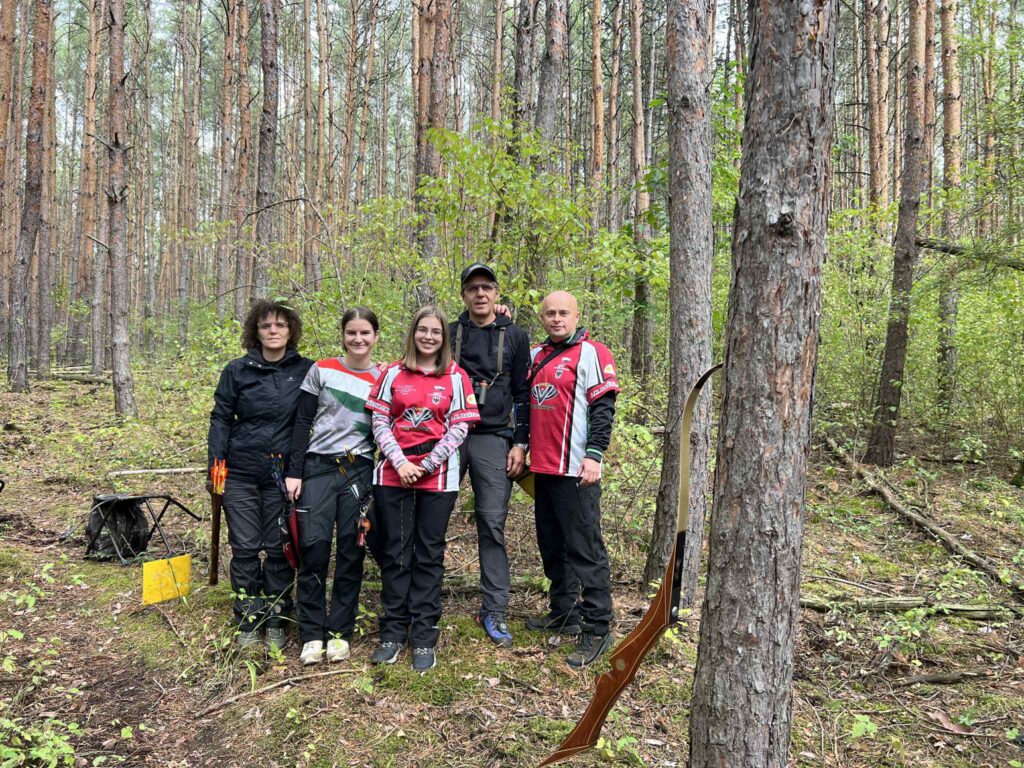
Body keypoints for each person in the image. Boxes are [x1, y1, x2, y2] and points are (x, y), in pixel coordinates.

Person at [365, 306, 480, 671]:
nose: (429, 337)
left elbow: (459, 428)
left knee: (429, 553)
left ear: (444, 337)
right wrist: (400, 462)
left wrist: (427, 464)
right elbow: (379, 420)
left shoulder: (456, 376)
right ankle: (393, 631)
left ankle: (425, 634)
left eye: (436, 331)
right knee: (396, 552)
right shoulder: (392, 373)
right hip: (393, 473)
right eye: (423, 330)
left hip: (438, 477)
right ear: (413, 333)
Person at [207, 299, 313, 652]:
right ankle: (248, 620)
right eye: (266, 325)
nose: (273, 331)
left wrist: (297, 469)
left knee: (279, 549)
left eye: (280, 325)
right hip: (239, 472)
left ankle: (278, 618)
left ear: (291, 330)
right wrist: (216, 464)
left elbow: (308, 422)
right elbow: (221, 417)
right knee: (246, 549)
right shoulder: (237, 371)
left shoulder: (306, 371)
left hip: (282, 475)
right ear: (255, 330)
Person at [525, 291, 620, 668]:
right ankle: (564, 612)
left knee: (585, 549)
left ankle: (597, 626)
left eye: (563, 312)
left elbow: (603, 408)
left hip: (577, 470)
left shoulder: (593, 353)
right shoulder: (535, 355)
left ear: (577, 316)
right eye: (550, 313)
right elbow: (522, 405)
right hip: (543, 468)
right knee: (552, 545)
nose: (556, 318)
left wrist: (594, 455)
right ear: (542, 317)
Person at [284, 307, 382, 666]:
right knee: (313, 547)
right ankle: (312, 633)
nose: (358, 339)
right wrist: (294, 472)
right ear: (342, 335)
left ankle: (340, 632)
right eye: (351, 332)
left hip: (359, 470)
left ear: (376, 336)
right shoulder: (321, 370)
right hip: (317, 468)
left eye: (365, 333)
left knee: (352, 550)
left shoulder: (384, 376)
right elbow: (302, 422)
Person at [450, 263, 530, 648]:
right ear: (463, 295)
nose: (480, 293)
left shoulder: (515, 335)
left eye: (487, 287)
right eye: (472, 288)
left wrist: (521, 443)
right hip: (449, 437)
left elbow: (524, 393)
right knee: (427, 520)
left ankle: (494, 608)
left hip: (494, 437)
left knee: (492, 523)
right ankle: (417, 603)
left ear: (497, 293)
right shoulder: (448, 333)